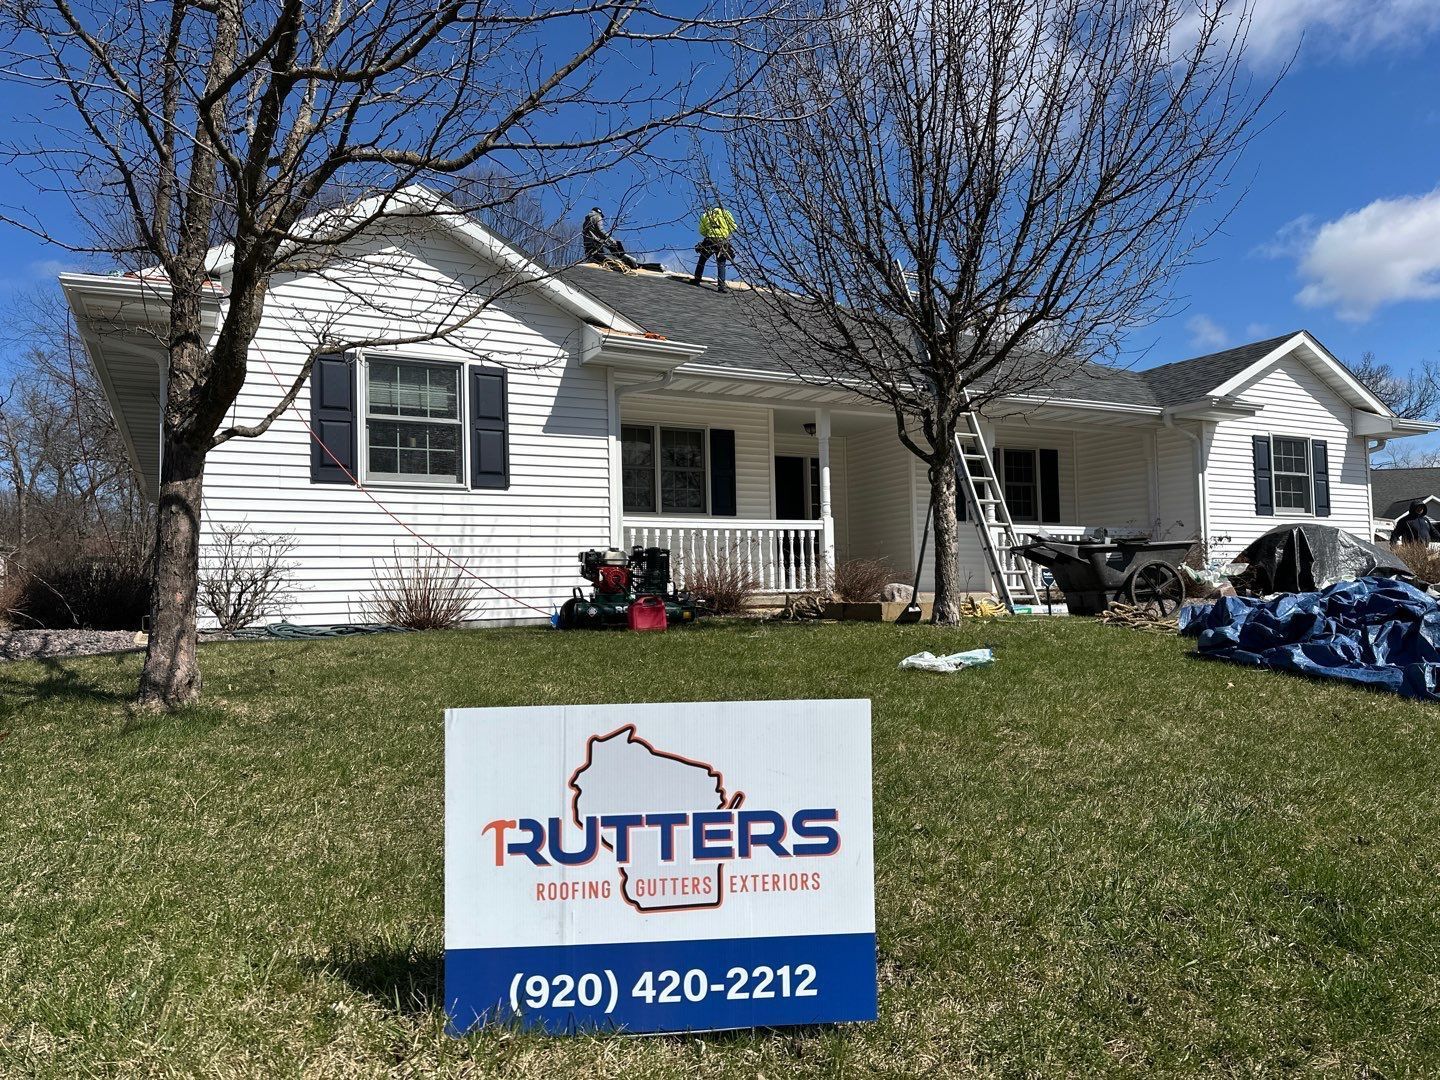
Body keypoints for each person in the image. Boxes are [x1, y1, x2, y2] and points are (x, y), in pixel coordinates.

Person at [691, 205, 736, 292]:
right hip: (722, 241)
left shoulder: (707, 214)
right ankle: (721, 287)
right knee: (721, 263)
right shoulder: (726, 213)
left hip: (710, 240)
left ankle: (697, 279)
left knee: (702, 259)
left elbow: (702, 230)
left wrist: (708, 233)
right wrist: (725, 233)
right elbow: (733, 226)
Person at [582, 208, 638, 272]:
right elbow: (601, 231)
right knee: (609, 254)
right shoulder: (597, 216)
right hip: (596, 243)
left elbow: (588, 234)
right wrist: (611, 240)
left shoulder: (586, 221)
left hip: (588, 246)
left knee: (597, 260)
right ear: (599, 213)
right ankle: (621, 261)